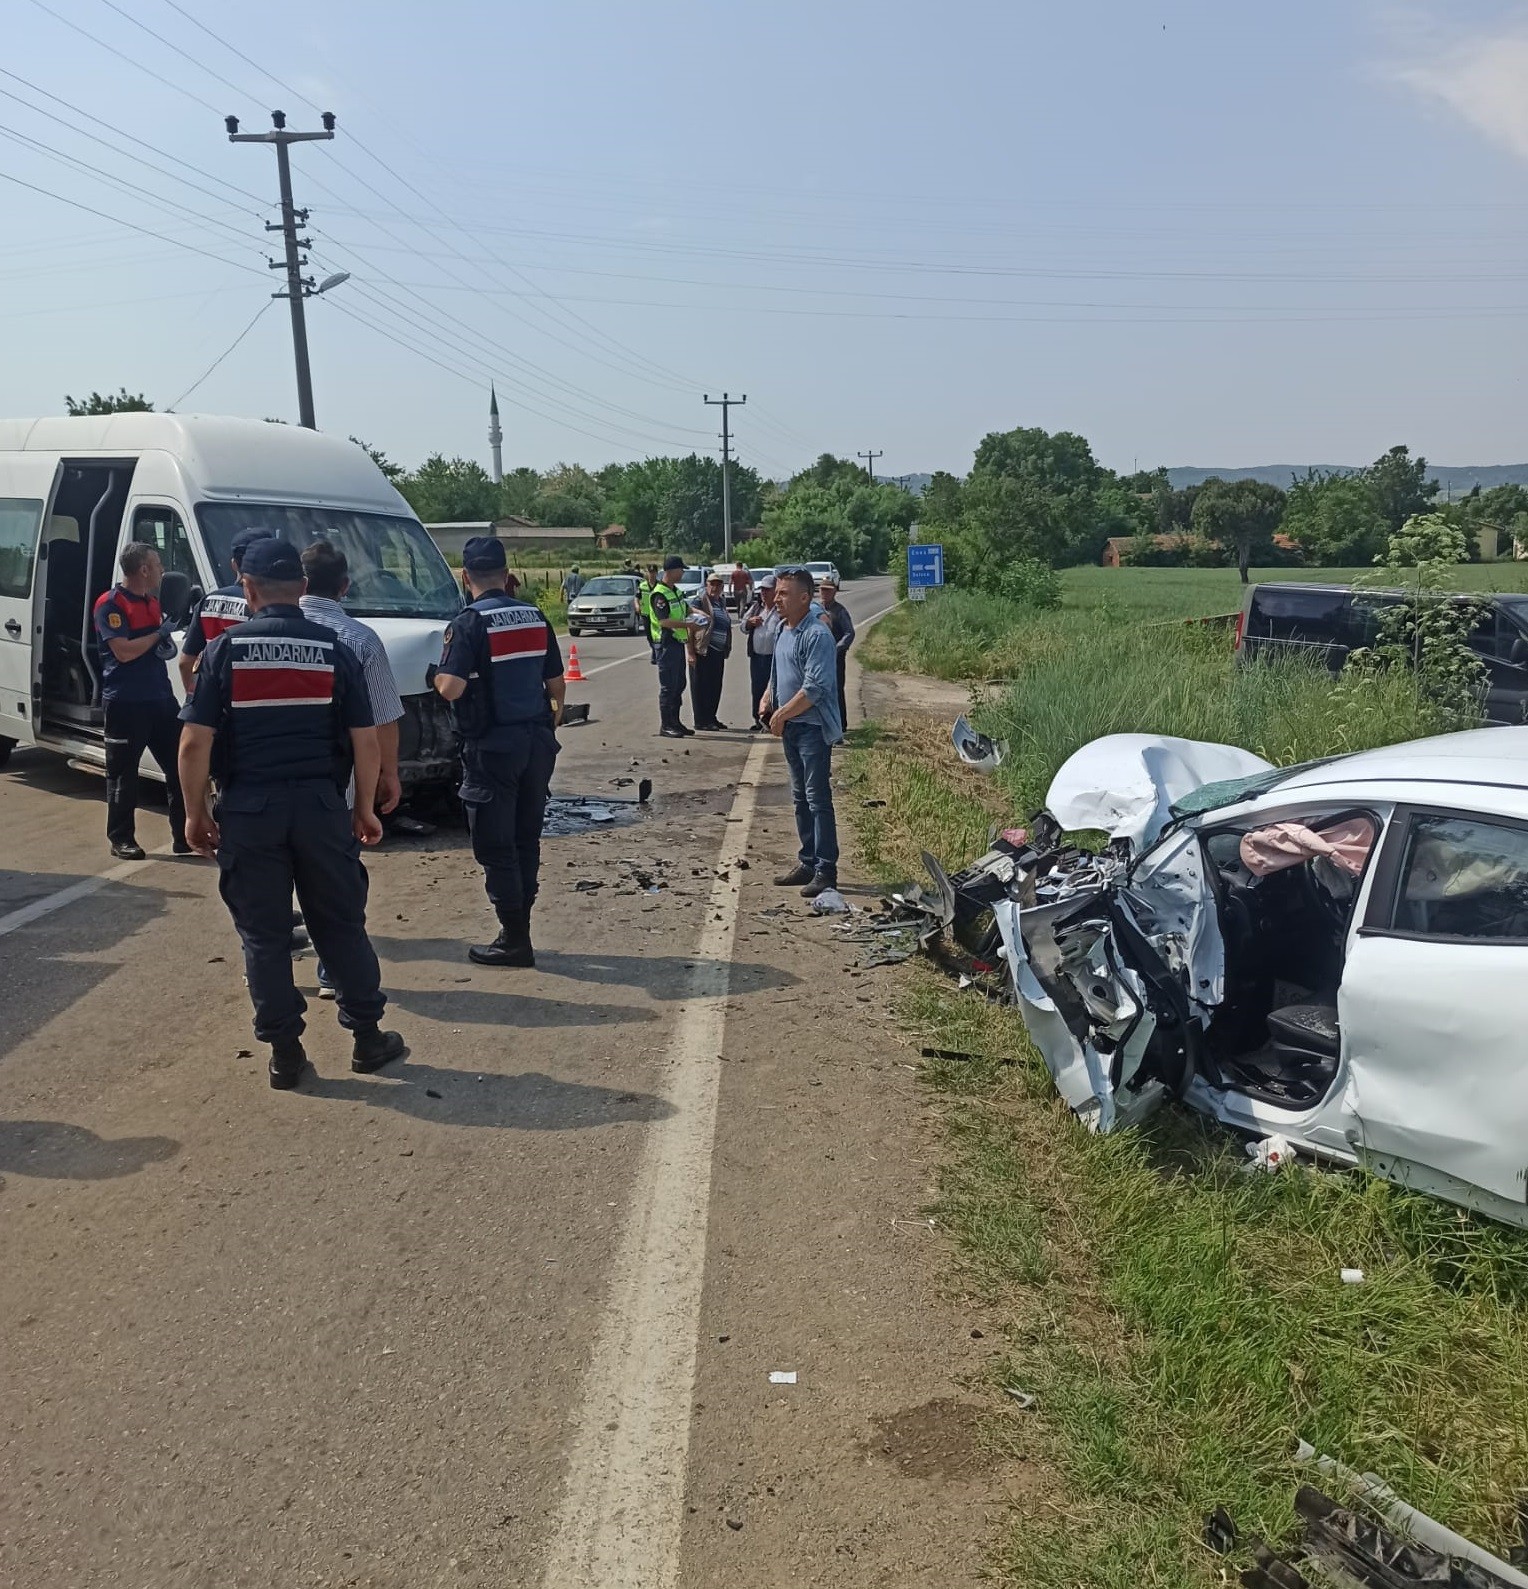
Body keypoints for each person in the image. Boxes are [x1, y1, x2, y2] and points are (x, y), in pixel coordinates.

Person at [177, 537, 405, 1089]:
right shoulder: (335, 649)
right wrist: (363, 810)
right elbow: (366, 742)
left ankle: (285, 1054)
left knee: (265, 935)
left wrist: (195, 814)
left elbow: (193, 745)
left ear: (247, 589)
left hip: (250, 809)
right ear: (302, 590)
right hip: (321, 807)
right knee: (340, 924)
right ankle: (368, 1039)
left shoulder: (225, 651)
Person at [432, 535, 566, 967]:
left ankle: (514, 938)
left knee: (495, 844)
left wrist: (436, 676)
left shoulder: (469, 623)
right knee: (526, 837)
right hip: (536, 742)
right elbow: (556, 685)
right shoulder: (534, 615)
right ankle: (519, 927)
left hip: (492, 747)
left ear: (465, 576)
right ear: (508, 575)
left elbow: (451, 687)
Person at [300, 540, 407, 998]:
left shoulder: (249, 633)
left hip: (262, 789)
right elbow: (381, 719)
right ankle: (332, 969)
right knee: (338, 878)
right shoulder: (359, 639)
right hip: (337, 786)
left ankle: (266, 975)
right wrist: (387, 775)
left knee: (274, 880)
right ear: (344, 586)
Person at [93, 542, 190, 860]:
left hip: (160, 699)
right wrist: (159, 634)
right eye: (158, 564)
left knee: (181, 768)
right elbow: (124, 651)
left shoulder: (152, 602)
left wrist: (164, 640)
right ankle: (121, 839)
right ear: (144, 569)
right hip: (125, 702)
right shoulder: (110, 604)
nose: (163, 570)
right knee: (123, 775)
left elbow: (150, 648)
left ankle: (184, 837)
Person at [763, 568, 844, 899]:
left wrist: (781, 713)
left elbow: (815, 688)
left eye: (784, 593)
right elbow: (777, 670)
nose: (776, 598)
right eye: (777, 592)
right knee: (799, 797)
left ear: (804, 598)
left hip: (811, 727)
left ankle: (826, 868)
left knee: (817, 797)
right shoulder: (785, 629)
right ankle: (808, 861)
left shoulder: (817, 636)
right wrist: (768, 697)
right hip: (792, 727)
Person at [177, 528, 273, 697]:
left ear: (234, 564)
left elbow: (186, 662)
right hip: (245, 701)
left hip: (212, 700)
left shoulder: (207, 601)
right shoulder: (262, 604)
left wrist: (195, 699)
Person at [649, 553, 696, 738]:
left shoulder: (675, 591)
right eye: (681, 570)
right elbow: (664, 621)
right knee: (668, 687)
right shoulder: (659, 594)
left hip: (677, 643)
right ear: (672, 570)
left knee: (679, 685)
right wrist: (688, 626)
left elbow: (686, 609)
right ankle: (666, 725)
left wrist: (701, 614)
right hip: (666, 644)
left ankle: (676, 722)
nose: (682, 573)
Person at [688, 571, 733, 731]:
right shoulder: (699, 601)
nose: (715, 587)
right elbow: (689, 627)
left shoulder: (720, 602)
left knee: (715, 686)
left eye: (718, 584)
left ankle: (711, 718)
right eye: (712, 584)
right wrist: (691, 652)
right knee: (701, 687)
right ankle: (701, 720)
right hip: (703, 650)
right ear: (706, 585)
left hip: (718, 651)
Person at [742, 573, 781, 731]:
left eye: (767, 590)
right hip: (757, 657)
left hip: (774, 657)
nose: (764, 593)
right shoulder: (756, 607)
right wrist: (750, 623)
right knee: (757, 688)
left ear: (775, 591)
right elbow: (743, 626)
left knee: (773, 689)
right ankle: (758, 720)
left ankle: (772, 720)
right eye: (762, 590)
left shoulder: (780, 609)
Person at [819, 574, 856, 730]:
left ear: (834, 591)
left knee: (836, 690)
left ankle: (841, 724)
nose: (824, 593)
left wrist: (837, 648)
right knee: (820, 690)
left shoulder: (840, 611)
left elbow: (849, 633)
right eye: (822, 590)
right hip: (819, 657)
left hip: (835, 657)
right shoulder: (816, 609)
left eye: (828, 590)